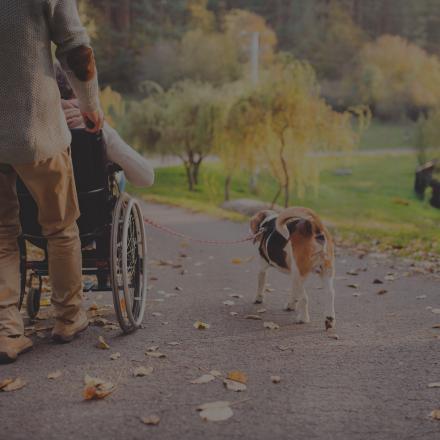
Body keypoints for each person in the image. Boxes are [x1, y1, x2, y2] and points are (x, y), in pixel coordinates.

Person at [0, 1, 104, 363]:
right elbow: (75, 45)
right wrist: (90, 103)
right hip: (36, 127)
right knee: (60, 227)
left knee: (0, 234)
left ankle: (7, 330)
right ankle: (69, 317)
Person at [56, 65, 155, 189]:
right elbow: (146, 177)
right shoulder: (95, 127)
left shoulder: (35, 130)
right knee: (120, 177)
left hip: (44, 204)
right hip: (92, 204)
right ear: (84, 90)